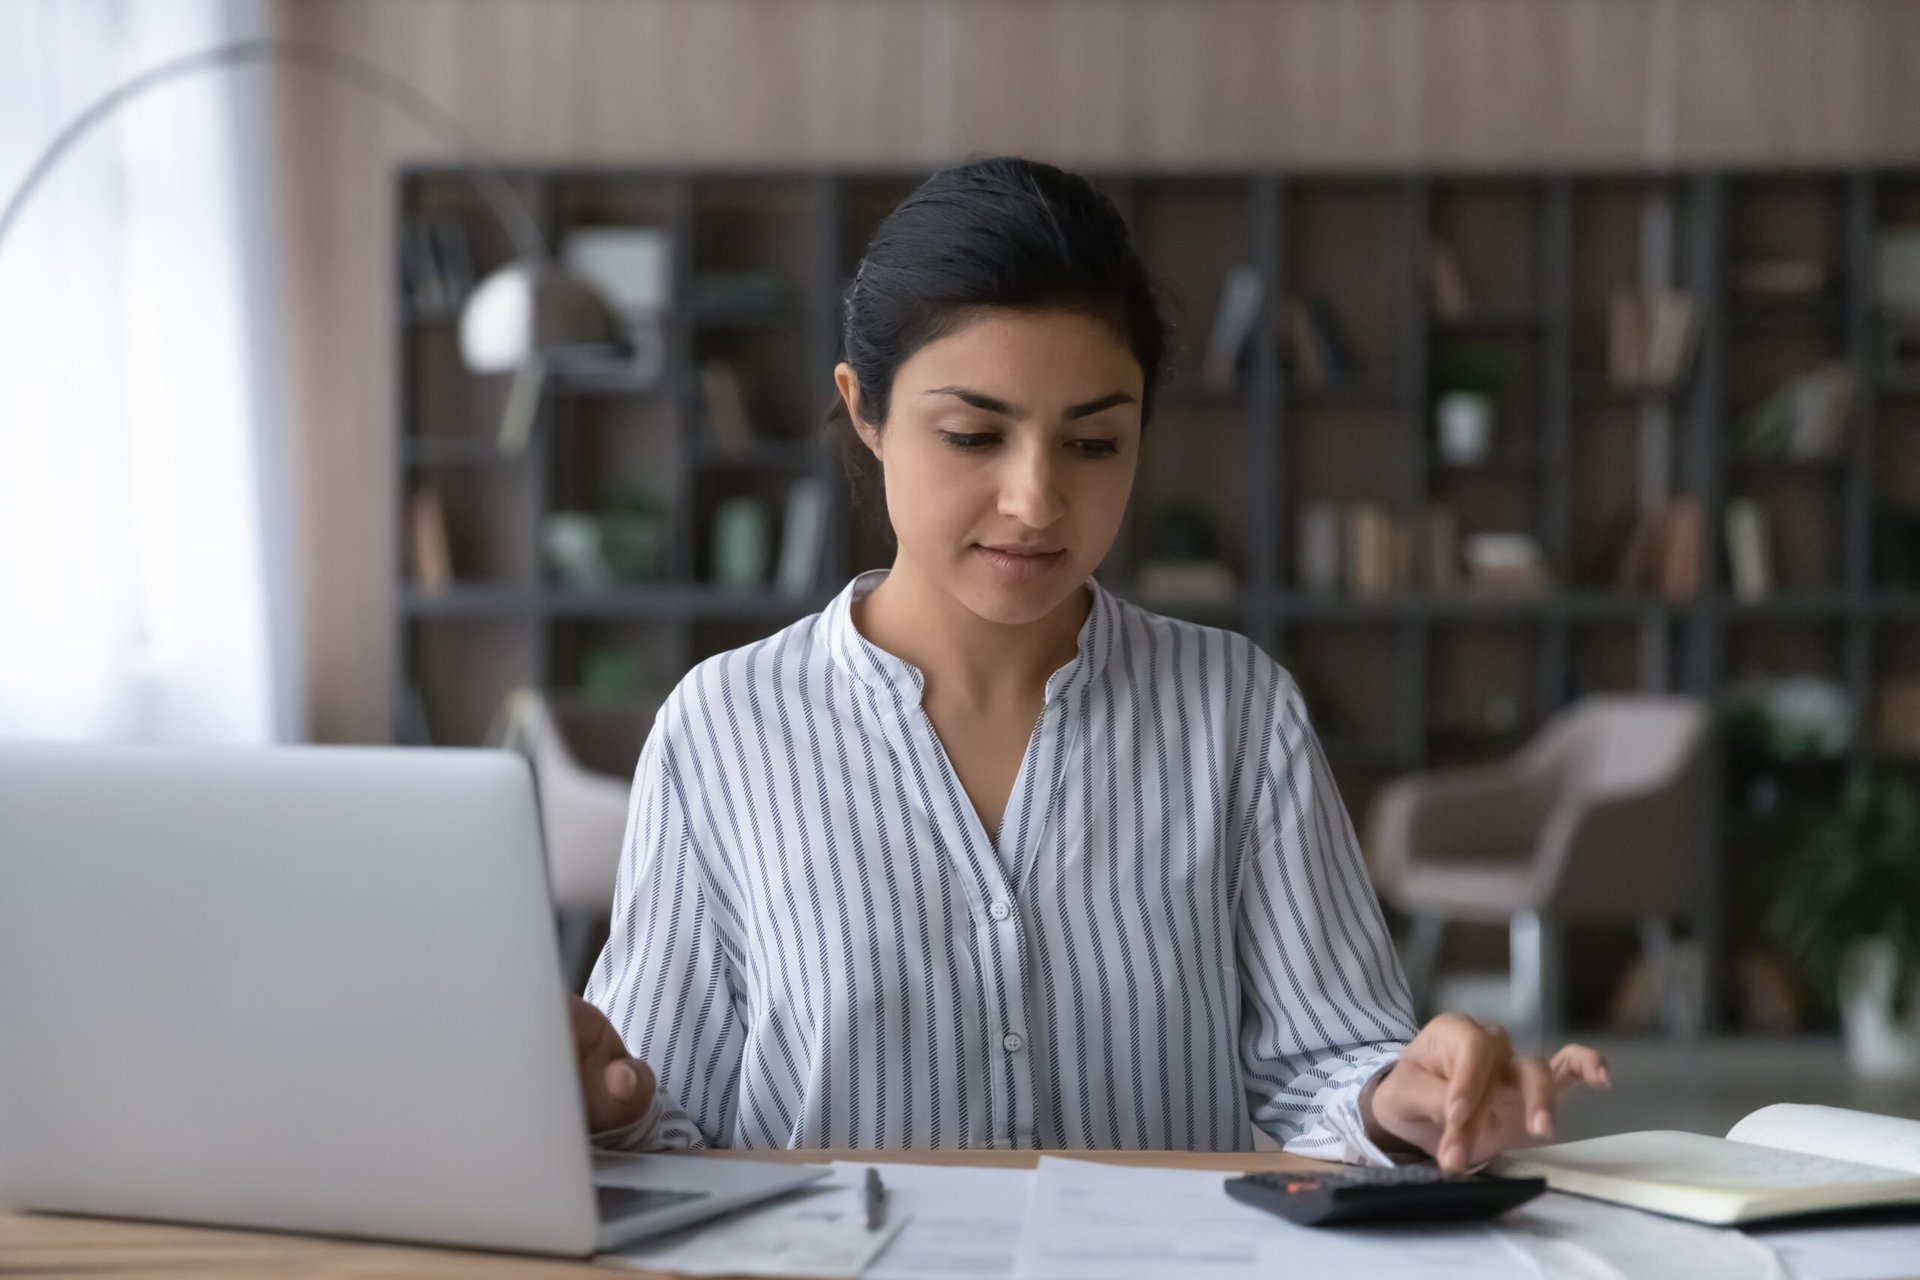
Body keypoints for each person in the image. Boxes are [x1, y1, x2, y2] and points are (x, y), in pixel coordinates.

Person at [570, 155, 1609, 1170]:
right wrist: (594, 1105)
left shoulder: (1236, 709)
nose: (1036, 500)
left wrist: (1407, 1101)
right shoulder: (725, 724)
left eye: (1094, 443)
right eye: (975, 434)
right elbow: (663, 1123)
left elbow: (1330, 1065)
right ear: (866, 411)